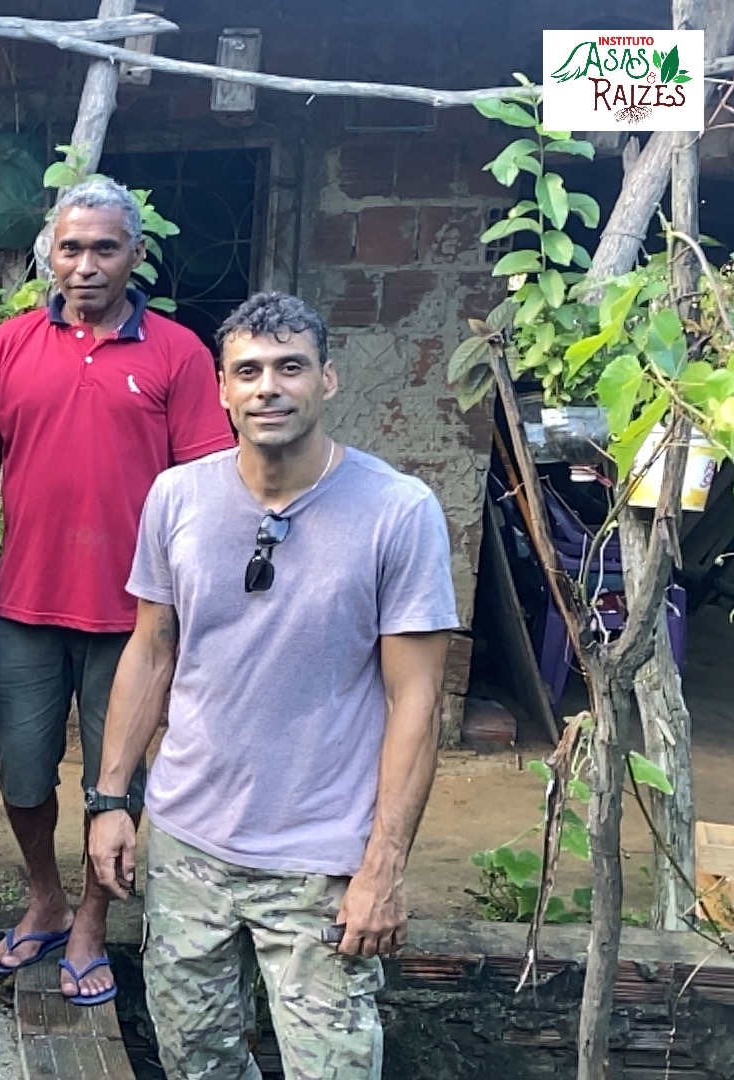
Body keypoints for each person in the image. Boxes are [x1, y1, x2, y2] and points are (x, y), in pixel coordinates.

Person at [85, 292, 456, 1077]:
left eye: (291, 367)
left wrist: (384, 866)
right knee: (197, 1061)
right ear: (221, 389)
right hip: (189, 843)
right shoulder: (178, 498)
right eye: (248, 371)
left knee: (333, 1067)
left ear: (328, 379)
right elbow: (151, 651)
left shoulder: (397, 511)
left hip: (320, 858)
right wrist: (111, 799)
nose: (268, 388)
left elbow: (416, 702)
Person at [0, 175, 235, 1003]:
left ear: (135, 255)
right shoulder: (10, 345)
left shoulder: (179, 354)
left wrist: (191, 612)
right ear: (50, 254)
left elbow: (204, 491)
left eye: (104, 248)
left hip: (135, 618)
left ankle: (89, 920)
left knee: (112, 783)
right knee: (20, 769)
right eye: (70, 248)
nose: (85, 265)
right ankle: (45, 894)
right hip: (24, 605)